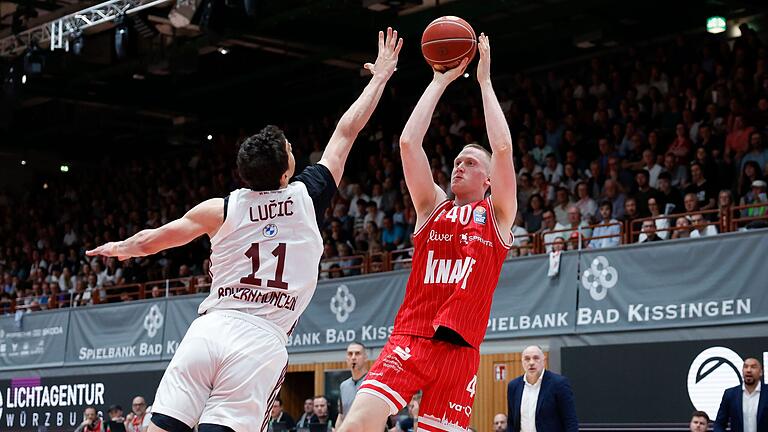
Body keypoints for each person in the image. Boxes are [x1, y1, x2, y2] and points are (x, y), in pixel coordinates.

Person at [86, 28, 403, 432]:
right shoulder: (307, 196)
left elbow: (150, 241)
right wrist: (380, 77)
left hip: (211, 328)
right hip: (261, 341)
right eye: (290, 149)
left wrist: (118, 247)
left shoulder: (220, 208)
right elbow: (345, 132)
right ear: (287, 171)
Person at [338, 34, 517, 432]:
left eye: (470, 163)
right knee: (354, 427)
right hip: (412, 338)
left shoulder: (498, 214)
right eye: (456, 161)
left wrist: (485, 83)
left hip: (461, 352)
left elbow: (502, 149)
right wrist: (439, 81)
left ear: (488, 180)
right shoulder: (431, 208)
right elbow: (408, 143)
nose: (459, 167)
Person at [506, 346, 578, 432]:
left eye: (536, 358)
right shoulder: (513, 386)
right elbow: (511, 422)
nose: (531, 362)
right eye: (527, 359)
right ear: (522, 362)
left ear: (544, 361)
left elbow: (570, 421)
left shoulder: (558, 384)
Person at [714, 357, 766, 432]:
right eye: (745, 367)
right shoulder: (730, 394)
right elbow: (719, 424)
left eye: (753, 367)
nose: (748, 370)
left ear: (761, 372)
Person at [337, 342, 369, 427]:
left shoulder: (373, 382)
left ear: (365, 357)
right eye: (350, 354)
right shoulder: (343, 386)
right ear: (346, 358)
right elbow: (341, 416)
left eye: (357, 353)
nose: (353, 357)